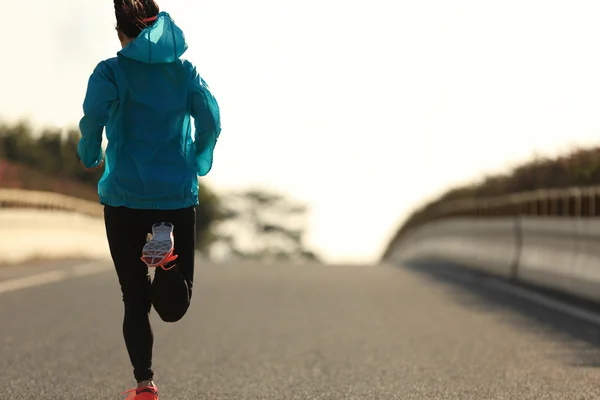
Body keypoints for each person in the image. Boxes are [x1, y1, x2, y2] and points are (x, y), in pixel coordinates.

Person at [77, 1, 221, 399]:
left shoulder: (111, 71)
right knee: (175, 306)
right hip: (174, 199)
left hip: (123, 200)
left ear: (121, 33)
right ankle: (168, 260)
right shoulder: (185, 72)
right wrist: (199, 158)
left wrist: (90, 152)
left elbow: (93, 117)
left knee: (134, 297)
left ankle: (144, 385)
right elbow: (210, 117)